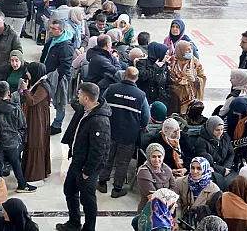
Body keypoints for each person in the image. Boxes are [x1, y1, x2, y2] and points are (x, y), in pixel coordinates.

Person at [57, 83, 111, 231]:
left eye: (80, 94)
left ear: (87, 98)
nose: (77, 96)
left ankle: (89, 228)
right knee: (69, 190)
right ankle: (74, 223)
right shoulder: (85, 109)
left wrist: (87, 171)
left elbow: (99, 150)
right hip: (77, 161)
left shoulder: (100, 121)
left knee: (87, 200)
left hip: (88, 168)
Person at [99, 67, 150, 198]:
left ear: (124, 76)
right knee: (123, 161)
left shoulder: (112, 89)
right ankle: (117, 189)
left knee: (107, 156)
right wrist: (141, 126)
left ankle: (102, 183)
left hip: (110, 129)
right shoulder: (141, 95)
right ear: (136, 78)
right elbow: (145, 118)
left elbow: (101, 104)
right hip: (129, 134)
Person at [0, 81, 34, 193]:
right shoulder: (16, 108)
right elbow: (22, 124)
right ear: (8, 92)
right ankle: (22, 185)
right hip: (12, 140)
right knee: (16, 163)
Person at [17, 62, 50, 186]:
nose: (26, 73)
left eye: (28, 71)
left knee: (36, 142)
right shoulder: (37, 84)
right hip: (34, 116)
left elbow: (32, 101)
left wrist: (25, 90)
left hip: (38, 119)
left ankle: (36, 174)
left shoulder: (43, 87)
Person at [40, 20, 74, 134]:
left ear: (61, 31)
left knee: (60, 101)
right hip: (46, 75)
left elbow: (65, 66)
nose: (50, 31)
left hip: (59, 78)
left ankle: (57, 125)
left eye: (54, 29)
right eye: (50, 28)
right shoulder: (52, 40)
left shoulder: (65, 46)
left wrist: (54, 79)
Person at [194, 116, 236, 190]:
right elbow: (205, 160)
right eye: (217, 130)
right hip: (213, 170)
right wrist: (222, 170)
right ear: (211, 129)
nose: (220, 132)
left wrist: (226, 167)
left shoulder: (225, 137)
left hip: (227, 167)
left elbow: (231, 153)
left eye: (222, 129)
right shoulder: (201, 142)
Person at [176, 157, 220, 221]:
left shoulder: (214, 189)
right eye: (192, 168)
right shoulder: (180, 182)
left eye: (199, 168)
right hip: (182, 220)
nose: (195, 171)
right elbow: (177, 204)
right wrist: (177, 221)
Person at [136, 144, 178, 212]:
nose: (157, 160)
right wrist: (171, 197)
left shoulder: (166, 168)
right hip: (150, 211)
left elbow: (175, 188)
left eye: (159, 156)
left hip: (167, 210)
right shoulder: (143, 171)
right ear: (148, 157)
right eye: (153, 157)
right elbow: (153, 195)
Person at [168, 40, 206, 114]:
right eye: (187, 49)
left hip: (189, 97)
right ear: (180, 51)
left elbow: (203, 77)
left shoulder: (195, 62)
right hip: (174, 97)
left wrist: (195, 80)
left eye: (190, 49)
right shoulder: (172, 61)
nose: (190, 51)